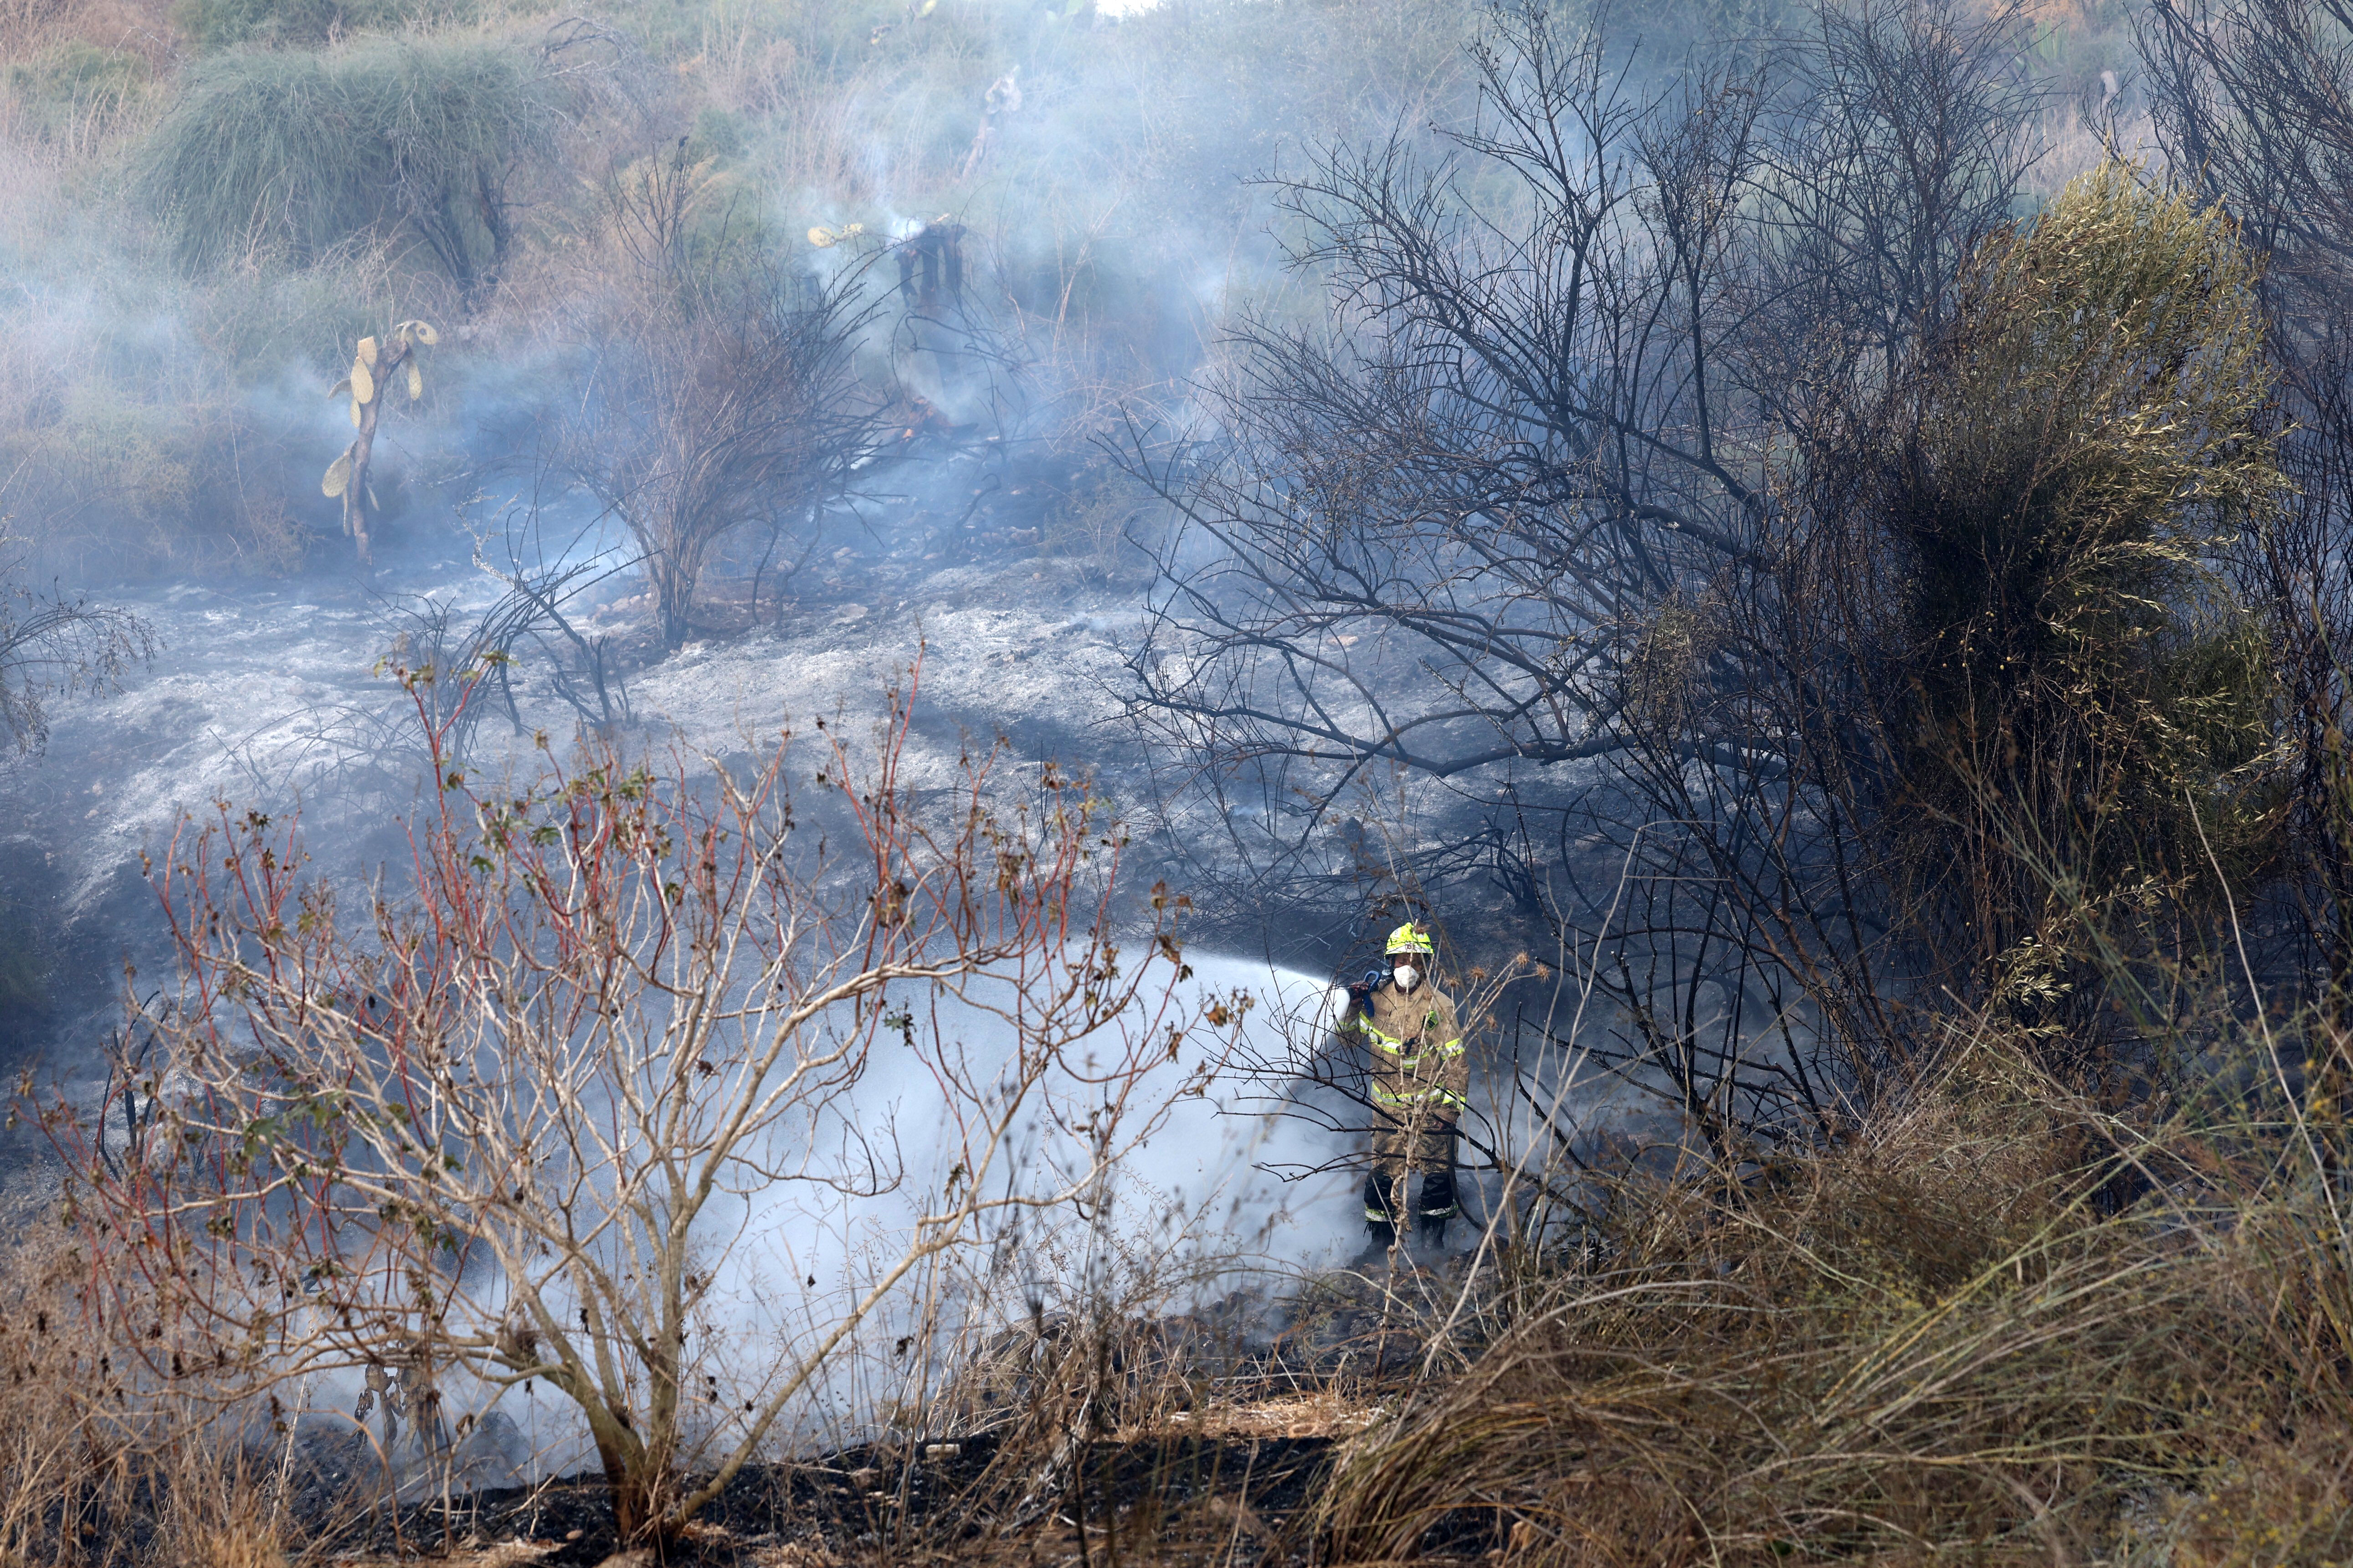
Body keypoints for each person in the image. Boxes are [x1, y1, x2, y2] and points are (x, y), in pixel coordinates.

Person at [1336, 921, 1469, 1250]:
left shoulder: (1439, 1006)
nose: (1408, 967)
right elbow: (1348, 1041)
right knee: (1382, 1178)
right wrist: (1352, 1007)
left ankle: (1433, 1248)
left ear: (1426, 965)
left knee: (1438, 1179)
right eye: (1401, 960)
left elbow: (1457, 1064)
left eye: (1416, 961)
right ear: (1390, 962)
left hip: (1431, 1113)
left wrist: (1449, 1113)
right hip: (1387, 1113)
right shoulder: (1375, 1001)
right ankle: (1380, 1245)